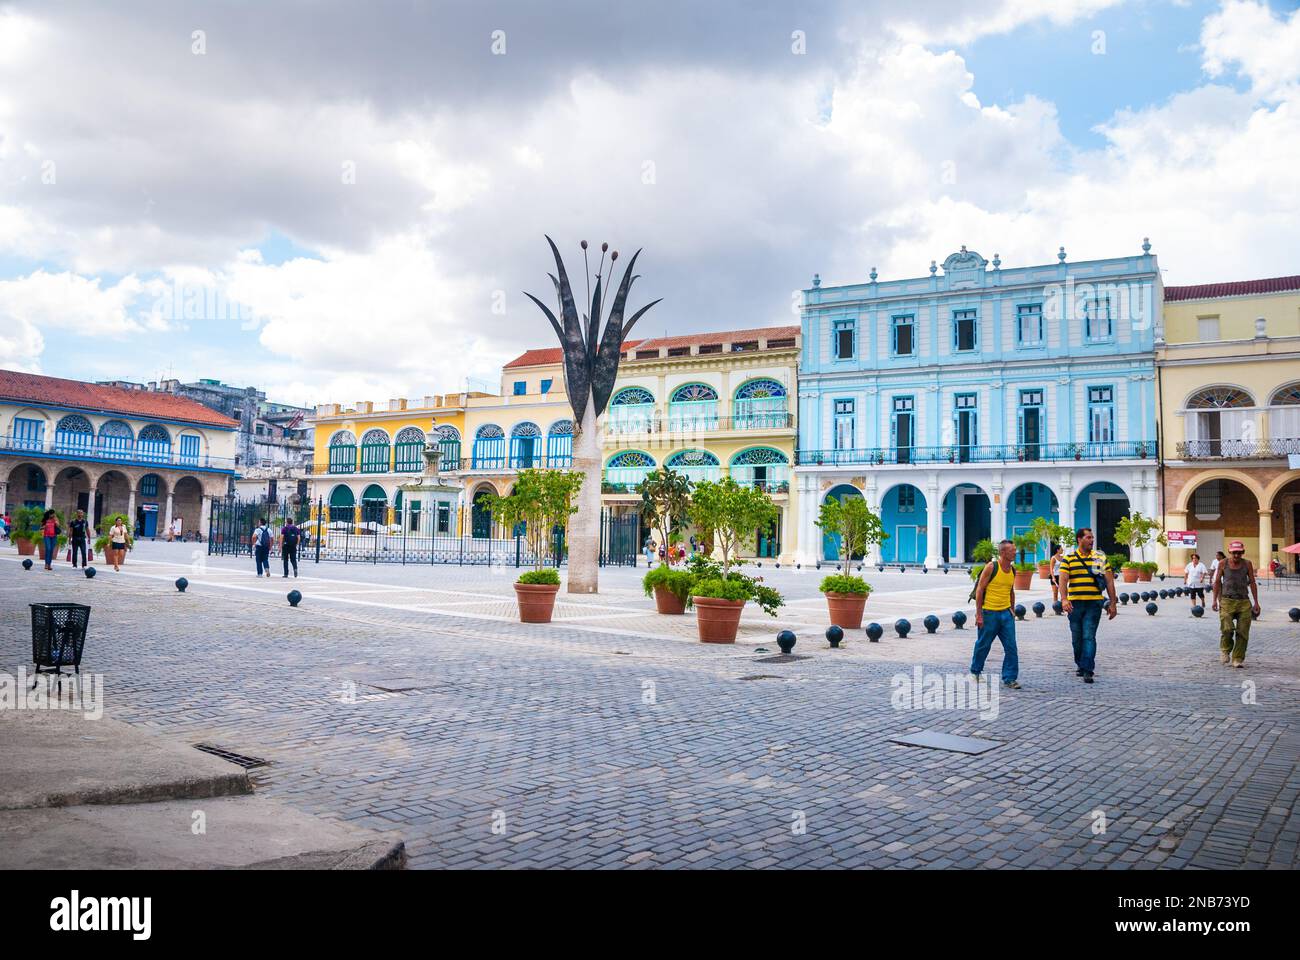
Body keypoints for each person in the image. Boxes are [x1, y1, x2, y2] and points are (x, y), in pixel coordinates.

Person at [1058, 527, 1118, 684]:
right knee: (1076, 638)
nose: (1092, 540)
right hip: (1075, 604)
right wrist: (1064, 600)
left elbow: (1109, 581)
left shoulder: (1100, 558)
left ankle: (1088, 669)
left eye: (1092, 538)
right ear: (1079, 539)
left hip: (1094, 604)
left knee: (1089, 636)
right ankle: (1081, 663)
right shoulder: (1069, 558)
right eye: (1088, 538)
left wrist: (1113, 603)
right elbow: (1063, 580)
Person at [970, 538, 1020, 689]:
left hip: (1006, 614)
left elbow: (1011, 590)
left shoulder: (1012, 570)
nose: (1015, 552)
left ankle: (1010, 678)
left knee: (1011, 647)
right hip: (989, 613)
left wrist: (1012, 609)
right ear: (1003, 552)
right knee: (983, 645)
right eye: (1012, 550)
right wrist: (979, 614)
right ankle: (975, 671)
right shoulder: (991, 567)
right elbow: (980, 590)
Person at [1212, 540, 1260, 668]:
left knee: (1243, 632)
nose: (1237, 555)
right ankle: (1225, 650)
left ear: (1243, 552)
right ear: (1230, 552)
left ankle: (1237, 658)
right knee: (1227, 628)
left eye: (1239, 553)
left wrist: (1256, 602)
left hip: (1243, 601)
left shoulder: (1247, 564)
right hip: (1227, 601)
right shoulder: (1223, 563)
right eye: (1234, 553)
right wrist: (1215, 600)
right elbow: (1217, 582)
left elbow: (1253, 583)